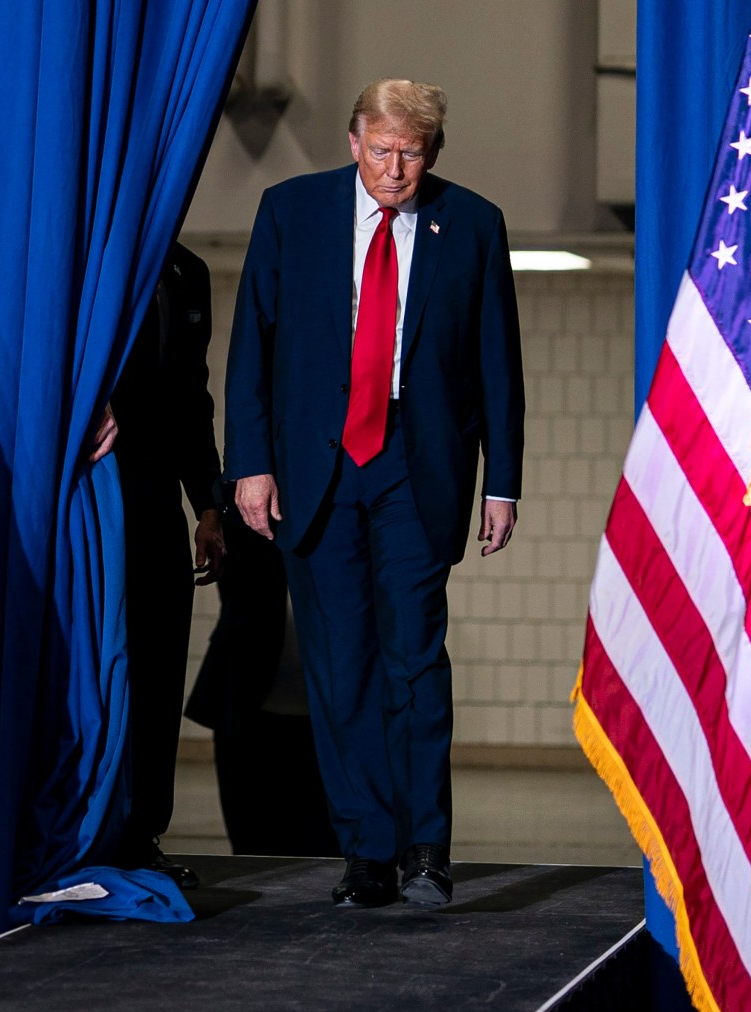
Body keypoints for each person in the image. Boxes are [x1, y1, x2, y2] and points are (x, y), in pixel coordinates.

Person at [224, 78, 525, 909]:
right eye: (383, 149)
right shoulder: (291, 212)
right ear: (354, 140)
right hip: (317, 469)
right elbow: (254, 345)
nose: (396, 169)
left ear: (432, 155)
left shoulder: (471, 224)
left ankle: (426, 848)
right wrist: (248, 464)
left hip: (414, 463)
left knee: (415, 660)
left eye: (413, 153)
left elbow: (497, 362)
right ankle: (366, 850)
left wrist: (503, 481)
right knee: (339, 665)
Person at [93, 241, 223, 887]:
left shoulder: (185, 271)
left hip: (154, 498)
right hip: (86, 493)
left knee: (158, 662)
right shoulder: (88, 249)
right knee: (95, 666)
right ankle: (88, 829)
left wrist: (208, 503)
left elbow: (190, 397)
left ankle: (142, 833)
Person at [183, 483, 338, 858]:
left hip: (320, 709)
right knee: (254, 846)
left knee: (325, 848)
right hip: (247, 698)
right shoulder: (243, 514)